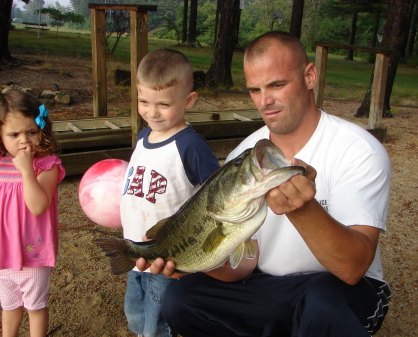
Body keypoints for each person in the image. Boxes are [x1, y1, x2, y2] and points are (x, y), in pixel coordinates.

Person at [137, 32, 392, 336]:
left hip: (337, 289)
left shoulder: (358, 150)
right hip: (265, 285)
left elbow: (353, 268)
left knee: (324, 301)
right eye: (254, 90)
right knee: (182, 299)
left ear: (309, 76)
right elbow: (244, 264)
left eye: (277, 85)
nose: (265, 101)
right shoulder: (242, 158)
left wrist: (302, 210)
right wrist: (197, 260)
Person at [120, 48, 220, 337]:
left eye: (163, 104)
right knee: (136, 315)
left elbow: (216, 191)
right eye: (144, 101)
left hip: (169, 259)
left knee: (158, 323)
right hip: (138, 252)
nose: (152, 112)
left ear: (188, 100)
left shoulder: (191, 145)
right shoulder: (142, 137)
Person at [0, 90, 66, 337]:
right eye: (14, 134)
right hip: (2, 249)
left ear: (41, 129)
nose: (24, 141)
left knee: (35, 306)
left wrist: (27, 171)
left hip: (33, 250)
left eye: (31, 132)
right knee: (9, 306)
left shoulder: (45, 164)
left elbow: (38, 206)